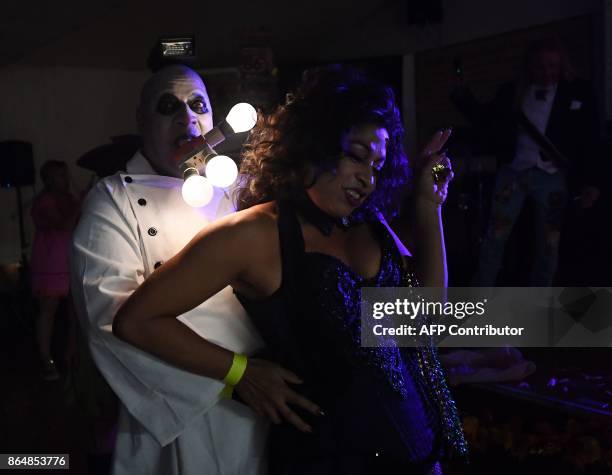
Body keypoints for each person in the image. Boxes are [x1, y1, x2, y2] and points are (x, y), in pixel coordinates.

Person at [112, 66, 467, 474]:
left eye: (378, 165)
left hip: (422, 457)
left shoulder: (371, 223)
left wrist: (428, 205)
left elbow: (428, 321)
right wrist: (239, 372)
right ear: (314, 144)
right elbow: (137, 321)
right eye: (355, 155)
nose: (368, 178)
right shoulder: (252, 235)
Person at [71, 64, 266, 475]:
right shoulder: (112, 200)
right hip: (177, 419)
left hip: (264, 402)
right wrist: (235, 378)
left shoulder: (242, 189)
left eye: (198, 104)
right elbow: (108, 318)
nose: (187, 117)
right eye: (168, 106)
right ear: (142, 122)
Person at [451, 36, 601, 286]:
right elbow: (484, 117)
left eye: (552, 66)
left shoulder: (578, 92)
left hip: (552, 177)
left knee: (548, 246)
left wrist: (592, 181)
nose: (546, 72)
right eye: (540, 66)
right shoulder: (512, 92)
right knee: (495, 238)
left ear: (562, 65)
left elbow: (590, 139)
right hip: (514, 174)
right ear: (529, 67)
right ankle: (479, 297)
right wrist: (461, 94)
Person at [31, 160, 80, 381]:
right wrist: (79, 205)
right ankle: (45, 359)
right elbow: (63, 225)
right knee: (48, 311)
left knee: (74, 310)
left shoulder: (68, 198)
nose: (64, 179)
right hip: (51, 262)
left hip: (70, 258)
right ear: (48, 179)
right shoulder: (45, 201)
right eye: (59, 175)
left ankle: (71, 356)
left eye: (64, 174)